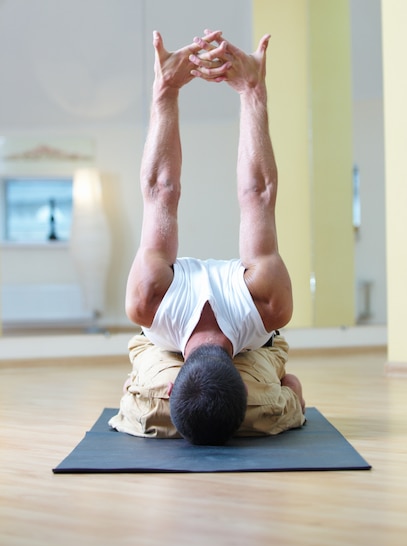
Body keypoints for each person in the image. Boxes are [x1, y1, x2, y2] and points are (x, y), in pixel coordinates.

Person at [123, 30, 304, 445]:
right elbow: (165, 193)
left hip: (187, 321)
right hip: (215, 321)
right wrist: (251, 92)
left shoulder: (155, 298)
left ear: (170, 387)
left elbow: (164, 192)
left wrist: (167, 90)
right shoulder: (264, 304)